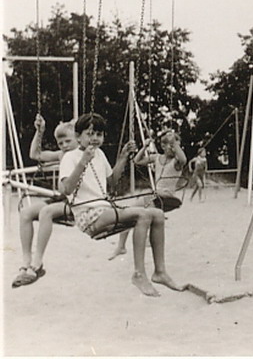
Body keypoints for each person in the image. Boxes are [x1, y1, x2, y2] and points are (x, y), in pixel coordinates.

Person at [59, 112, 183, 297]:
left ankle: (160, 272)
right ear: (78, 136)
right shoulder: (70, 157)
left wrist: (123, 157)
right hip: (87, 215)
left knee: (157, 215)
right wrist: (83, 161)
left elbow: (111, 182)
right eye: (90, 134)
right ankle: (139, 274)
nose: (95, 138)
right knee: (143, 214)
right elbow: (66, 189)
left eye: (99, 134)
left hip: (105, 210)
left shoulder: (99, 154)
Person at [11, 114, 78, 287]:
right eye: (60, 143)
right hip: (62, 198)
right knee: (26, 213)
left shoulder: (82, 154)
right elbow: (35, 154)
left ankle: (38, 262)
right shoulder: (62, 155)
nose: (64, 146)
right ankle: (26, 261)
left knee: (46, 212)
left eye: (68, 141)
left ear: (78, 138)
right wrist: (40, 132)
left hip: (77, 201)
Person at [108, 130, 188, 260]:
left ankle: (142, 237)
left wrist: (174, 143)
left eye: (176, 146)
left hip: (167, 197)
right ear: (163, 146)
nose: (174, 149)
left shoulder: (176, 162)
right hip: (155, 196)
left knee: (140, 209)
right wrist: (144, 146)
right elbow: (137, 161)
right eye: (171, 145)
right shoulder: (157, 158)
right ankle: (121, 246)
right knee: (129, 212)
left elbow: (183, 159)